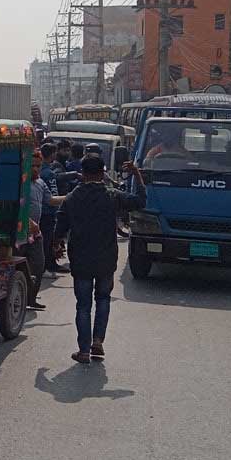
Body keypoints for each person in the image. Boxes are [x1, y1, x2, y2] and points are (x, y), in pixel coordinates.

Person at [53, 154, 145, 364]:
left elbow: (60, 228)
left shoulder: (72, 198)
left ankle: (84, 350)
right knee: (103, 299)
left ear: (82, 173)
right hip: (106, 259)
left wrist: (55, 246)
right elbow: (140, 201)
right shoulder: (111, 195)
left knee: (83, 305)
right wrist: (137, 174)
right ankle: (98, 341)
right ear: (103, 172)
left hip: (81, 260)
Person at [27, 150, 65, 307]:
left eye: (38, 166)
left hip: (35, 233)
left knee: (39, 265)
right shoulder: (19, 183)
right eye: (32, 166)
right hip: (20, 232)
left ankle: (31, 299)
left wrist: (71, 197)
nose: (35, 169)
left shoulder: (40, 183)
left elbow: (51, 200)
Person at [37, 143, 67, 275]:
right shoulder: (48, 173)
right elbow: (53, 196)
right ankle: (46, 265)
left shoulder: (40, 171)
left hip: (39, 211)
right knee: (47, 240)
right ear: (53, 154)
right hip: (48, 212)